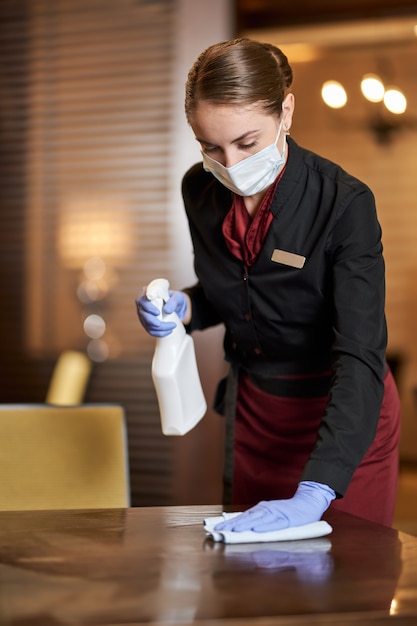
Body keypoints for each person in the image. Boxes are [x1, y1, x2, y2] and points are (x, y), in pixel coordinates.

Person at [136, 38, 401, 532]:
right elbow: (234, 292)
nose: (230, 165)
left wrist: (316, 490)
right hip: (258, 412)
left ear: (286, 112)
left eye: (247, 143)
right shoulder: (199, 189)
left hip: (343, 413)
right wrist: (185, 308)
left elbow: (360, 353)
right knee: (253, 586)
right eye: (210, 146)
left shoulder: (344, 203)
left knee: (345, 584)